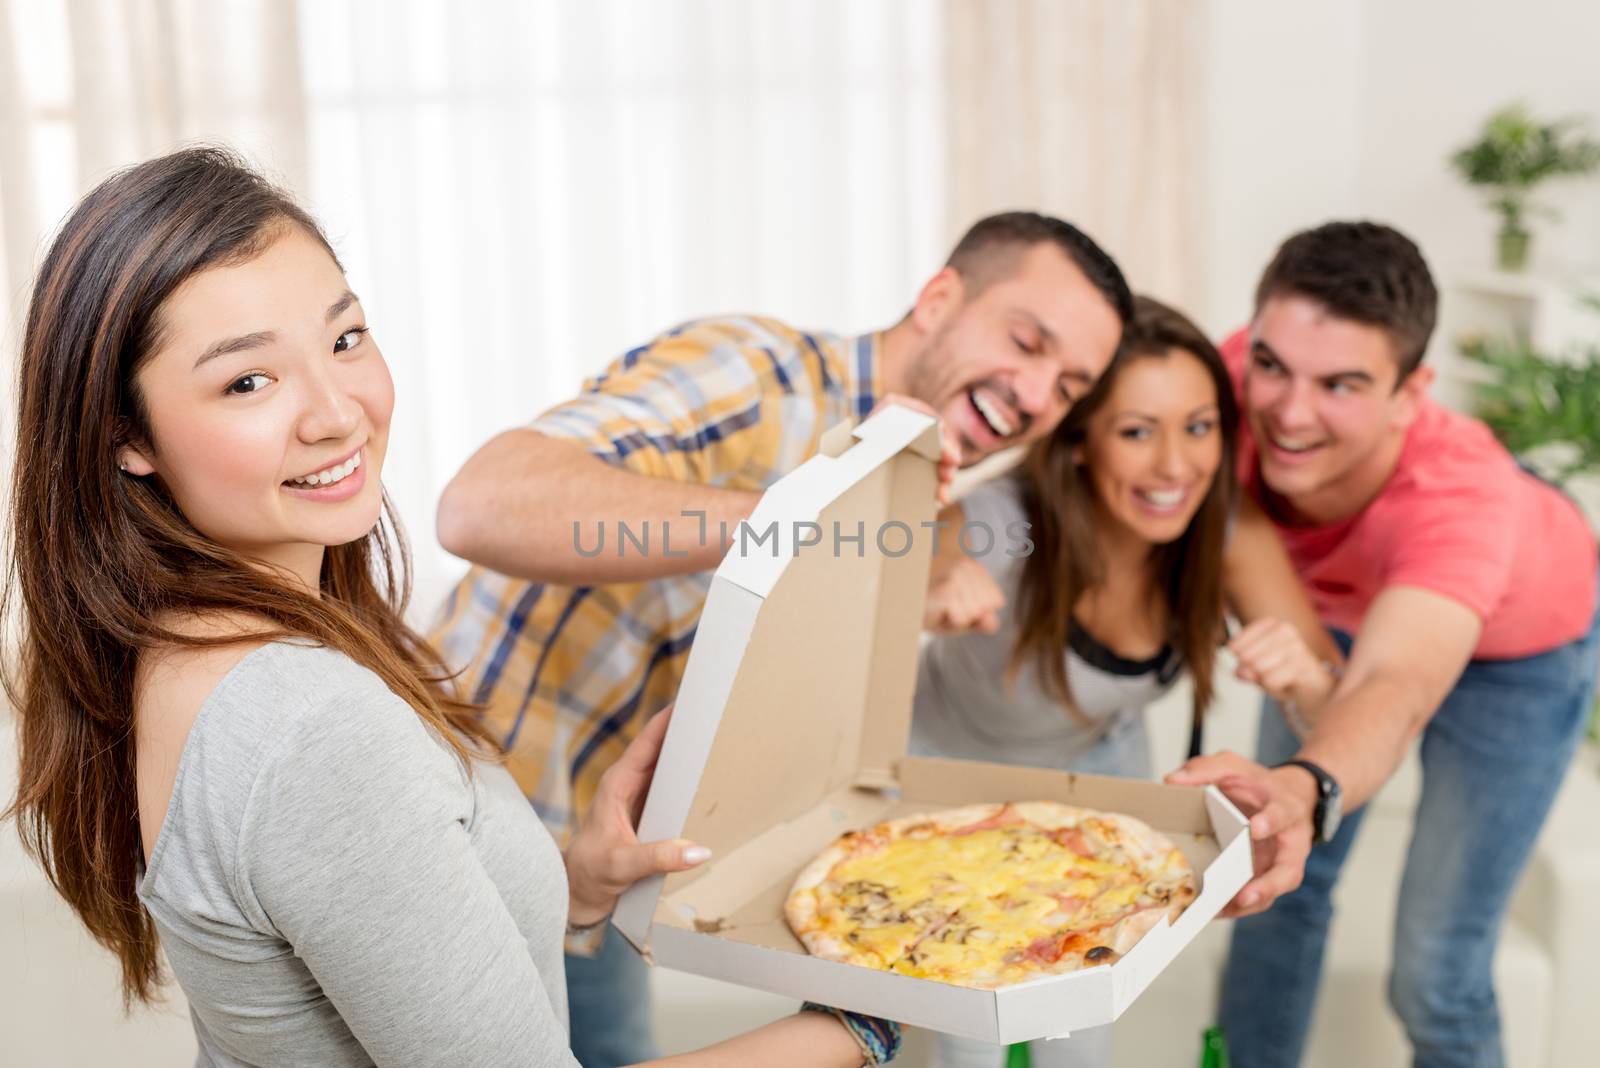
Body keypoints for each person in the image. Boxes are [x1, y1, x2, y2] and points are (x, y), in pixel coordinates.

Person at [3, 147, 901, 1068]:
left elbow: (369, 953)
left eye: (344, 339)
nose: (336, 414)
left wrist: (572, 886)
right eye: (248, 381)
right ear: (125, 436)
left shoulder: (189, 646)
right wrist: (864, 1017)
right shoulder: (309, 725)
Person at [430, 212, 1135, 1065]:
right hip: (465, 833)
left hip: (595, 869)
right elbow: (481, 502)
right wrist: (807, 524)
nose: (1034, 393)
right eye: (1027, 341)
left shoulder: (901, 482)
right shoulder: (760, 375)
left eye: (1068, 387)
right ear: (940, 297)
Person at [1166, 222, 1600, 1068]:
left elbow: (1394, 686)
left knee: (1437, 969)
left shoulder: (1461, 500)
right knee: (1271, 886)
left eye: (1342, 384)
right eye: (1273, 366)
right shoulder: (1220, 383)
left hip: (1517, 659)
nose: (1289, 411)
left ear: (1412, 390)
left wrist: (1306, 780)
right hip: (1344, 609)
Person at [911, 296, 1343, 1068]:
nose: (1177, 467)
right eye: (1138, 431)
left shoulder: (1226, 527)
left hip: (1097, 777)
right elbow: (936, 526)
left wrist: (1306, 680)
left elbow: (1328, 702)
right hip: (948, 778)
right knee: (971, 1040)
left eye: (1199, 427)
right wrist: (942, 572)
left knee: (1084, 1026)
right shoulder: (1014, 517)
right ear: (1080, 443)